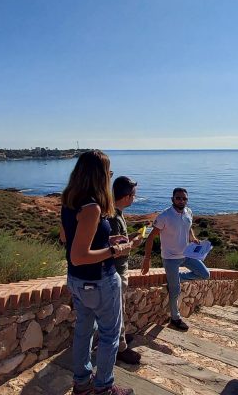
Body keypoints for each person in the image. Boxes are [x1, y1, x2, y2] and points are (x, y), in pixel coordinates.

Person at [61, 150, 135, 395]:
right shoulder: (92, 207)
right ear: (99, 174)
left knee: (83, 331)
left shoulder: (70, 201)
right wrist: (115, 250)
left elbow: (67, 238)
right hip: (99, 281)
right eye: (108, 171)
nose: (110, 175)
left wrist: (106, 238)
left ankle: (81, 384)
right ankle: (104, 387)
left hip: (76, 281)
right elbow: (79, 255)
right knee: (109, 335)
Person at [142, 187, 210, 331]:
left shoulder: (188, 212)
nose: (181, 201)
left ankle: (175, 278)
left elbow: (188, 227)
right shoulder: (164, 216)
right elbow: (150, 237)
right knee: (175, 290)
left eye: (184, 198)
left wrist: (193, 238)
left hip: (186, 255)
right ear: (172, 199)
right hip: (170, 258)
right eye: (178, 198)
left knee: (205, 274)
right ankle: (175, 318)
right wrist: (147, 259)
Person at [108, 176, 143, 364]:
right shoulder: (114, 217)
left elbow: (119, 241)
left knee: (117, 310)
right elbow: (115, 250)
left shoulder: (117, 214)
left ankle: (119, 339)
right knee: (117, 311)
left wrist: (131, 238)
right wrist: (135, 243)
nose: (135, 198)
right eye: (134, 195)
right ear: (126, 196)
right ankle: (121, 349)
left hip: (119, 270)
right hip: (116, 271)